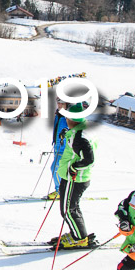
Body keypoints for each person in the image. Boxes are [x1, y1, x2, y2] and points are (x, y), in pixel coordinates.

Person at [56, 102, 97, 248]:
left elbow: (89, 159)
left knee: (67, 210)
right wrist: (66, 133)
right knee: (72, 208)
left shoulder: (80, 138)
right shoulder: (81, 130)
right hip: (76, 178)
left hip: (74, 178)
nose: (66, 120)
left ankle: (79, 238)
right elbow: (76, 140)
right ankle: (78, 233)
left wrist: (74, 167)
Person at [47, 100, 69, 200]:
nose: (59, 105)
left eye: (62, 103)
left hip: (64, 148)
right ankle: (62, 190)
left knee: (55, 168)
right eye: (58, 102)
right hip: (58, 146)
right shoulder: (58, 114)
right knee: (59, 169)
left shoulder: (69, 115)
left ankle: (60, 191)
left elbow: (75, 128)